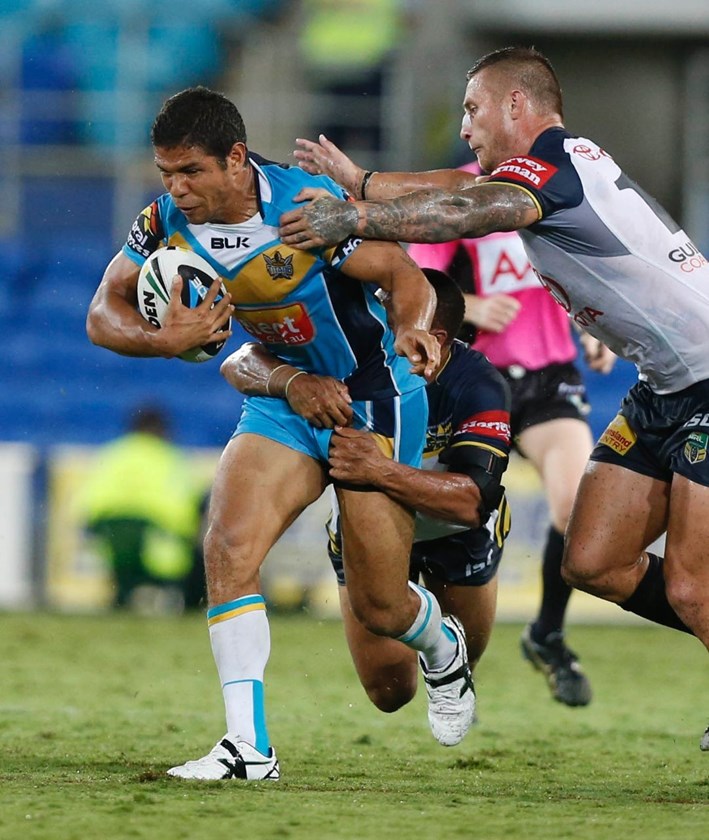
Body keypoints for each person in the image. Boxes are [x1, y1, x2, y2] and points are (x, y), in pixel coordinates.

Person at [279, 46, 709, 749]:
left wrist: (351, 216)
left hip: (705, 380)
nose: (465, 125)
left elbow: (463, 208)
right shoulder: (560, 163)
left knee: (692, 584)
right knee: (591, 560)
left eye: (472, 109)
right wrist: (365, 180)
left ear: (518, 105)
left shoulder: (549, 168)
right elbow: (458, 182)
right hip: (661, 385)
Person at [86, 85, 477, 783]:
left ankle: (439, 642)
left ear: (236, 159)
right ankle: (248, 748)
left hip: (371, 395)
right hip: (283, 390)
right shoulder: (163, 222)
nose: (177, 188)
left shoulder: (304, 209)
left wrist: (415, 330)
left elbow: (401, 275)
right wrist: (160, 340)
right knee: (228, 545)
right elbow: (101, 312)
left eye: (191, 173)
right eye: (166, 173)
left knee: (380, 605)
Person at [286, 142, 617, 708]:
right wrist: (473, 304)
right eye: (467, 116)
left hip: (549, 373)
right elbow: (416, 283)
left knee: (574, 507)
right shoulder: (458, 189)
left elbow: (574, 269)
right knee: (425, 487)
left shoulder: (555, 184)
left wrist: (594, 325)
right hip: (474, 372)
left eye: (476, 112)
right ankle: (400, 578)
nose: (472, 129)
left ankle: (548, 635)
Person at [221, 268, 512, 714]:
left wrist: (380, 471)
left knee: (461, 661)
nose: (367, 311)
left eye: (385, 306)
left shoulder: (478, 384)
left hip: (453, 531)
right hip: (365, 520)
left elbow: (472, 501)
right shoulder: (343, 355)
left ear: (431, 336)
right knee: (389, 693)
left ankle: (446, 658)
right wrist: (291, 382)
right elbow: (240, 360)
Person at [76, 405, 201, 612]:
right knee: (195, 558)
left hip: (111, 540)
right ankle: (185, 605)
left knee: (126, 572)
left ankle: (123, 598)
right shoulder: (171, 458)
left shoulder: (113, 453)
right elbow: (185, 509)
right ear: (163, 430)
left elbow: (88, 503)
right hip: (158, 542)